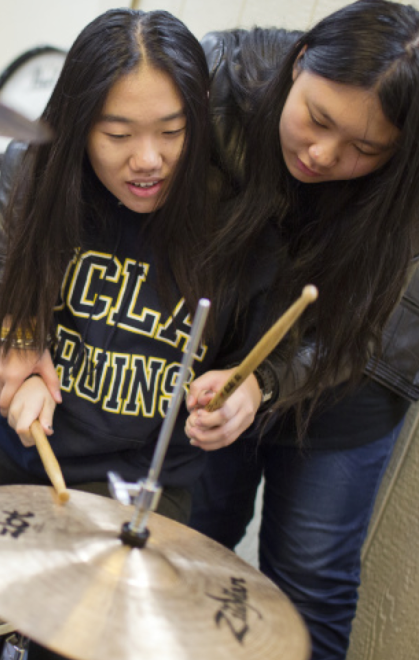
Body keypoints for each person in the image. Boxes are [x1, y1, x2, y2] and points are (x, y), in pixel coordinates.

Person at [0, 7, 273, 527]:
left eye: (172, 132)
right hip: (2, 438)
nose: (148, 159)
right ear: (79, 125)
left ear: (197, 117)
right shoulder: (37, 179)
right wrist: (12, 355)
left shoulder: (235, 221)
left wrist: (250, 389)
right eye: (118, 135)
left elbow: (267, 359)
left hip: (125, 482)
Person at [182, 3, 419, 659]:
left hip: (351, 375)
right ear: (300, 59)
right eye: (317, 118)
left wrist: (266, 384)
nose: (322, 153)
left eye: (364, 149)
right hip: (225, 350)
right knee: (193, 542)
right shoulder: (223, 72)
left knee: (310, 586)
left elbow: (374, 327)